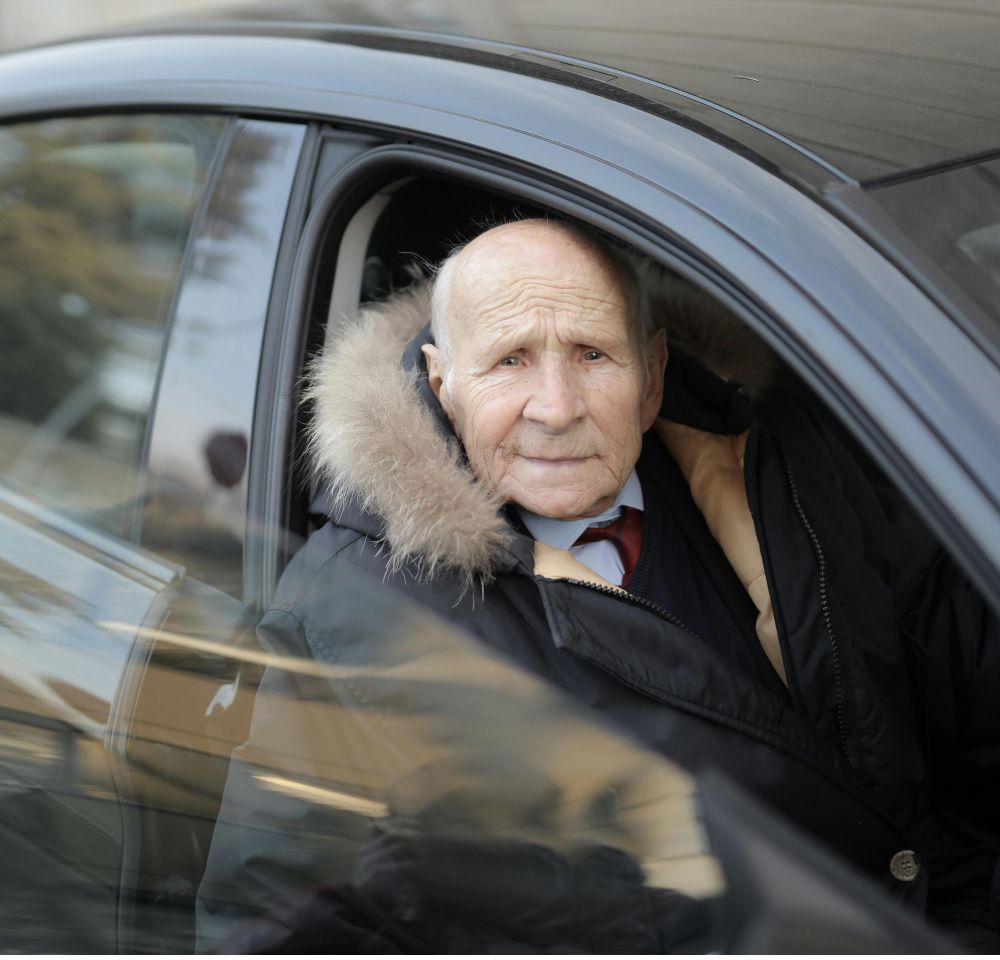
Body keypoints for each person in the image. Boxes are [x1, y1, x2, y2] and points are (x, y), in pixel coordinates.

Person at [198, 219, 999, 950]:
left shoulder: (780, 467)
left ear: (653, 376)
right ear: (441, 384)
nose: (555, 407)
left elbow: (962, 657)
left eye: (592, 354)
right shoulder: (355, 612)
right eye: (510, 360)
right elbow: (275, 926)